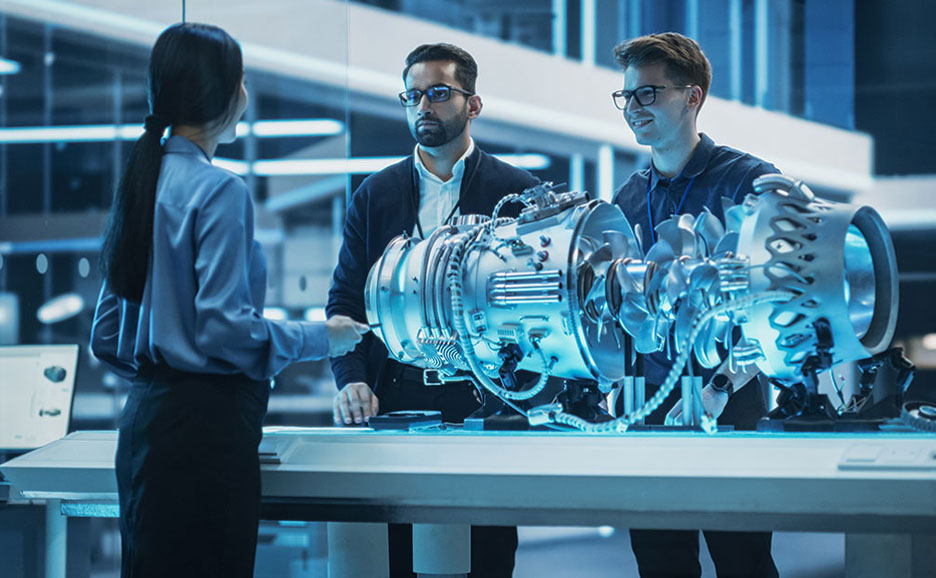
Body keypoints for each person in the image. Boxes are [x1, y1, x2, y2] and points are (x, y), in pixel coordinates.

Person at [89, 23, 368, 578]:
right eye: (241, 79)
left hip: (145, 427)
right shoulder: (218, 189)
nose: (246, 93)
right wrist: (323, 337)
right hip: (204, 438)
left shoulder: (144, 180)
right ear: (221, 94)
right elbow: (222, 328)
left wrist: (162, 373)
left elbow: (106, 334)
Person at [327, 42, 539, 578]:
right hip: (393, 408)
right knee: (396, 562)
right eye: (413, 95)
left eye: (439, 93)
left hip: (484, 413)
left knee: (485, 562)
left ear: (473, 105)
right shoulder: (373, 196)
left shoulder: (516, 194)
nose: (424, 105)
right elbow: (345, 303)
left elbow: (540, 306)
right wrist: (350, 379)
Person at [610, 32, 780, 577]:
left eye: (649, 94)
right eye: (627, 96)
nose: (635, 109)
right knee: (660, 563)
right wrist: (616, 383)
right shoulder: (628, 198)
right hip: (649, 408)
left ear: (693, 96)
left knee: (744, 561)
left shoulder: (749, 181)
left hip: (728, 400)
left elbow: (775, 301)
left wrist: (720, 387)